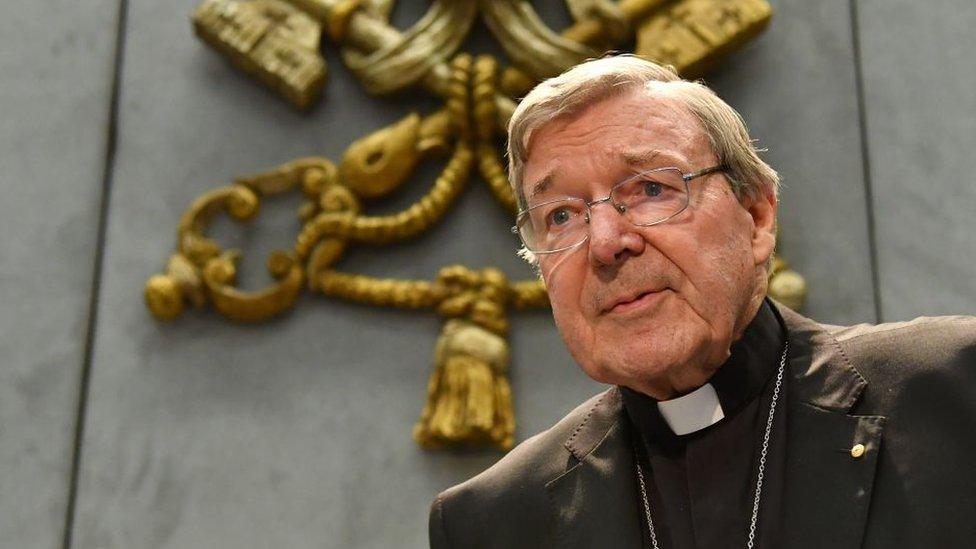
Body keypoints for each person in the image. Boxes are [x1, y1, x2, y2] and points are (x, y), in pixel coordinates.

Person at [427, 55, 976, 548]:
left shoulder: (954, 392)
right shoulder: (495, 523)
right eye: (561, 216)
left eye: (650, 189)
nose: (605, 244)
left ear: (758, 217)